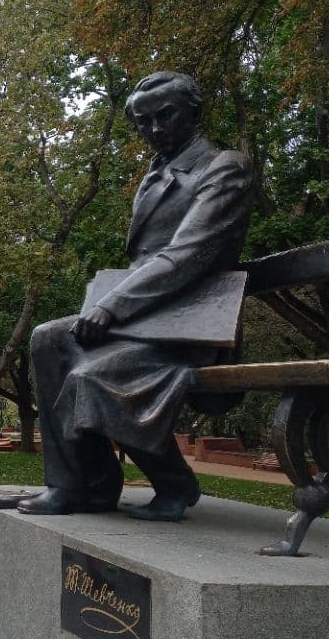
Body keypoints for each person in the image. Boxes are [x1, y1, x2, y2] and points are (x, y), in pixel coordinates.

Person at [18, 71, 254, 522]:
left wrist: (111, 306)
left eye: (165, 115)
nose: (155, 129)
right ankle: (77, 486)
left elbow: (186, 255)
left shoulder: (224, 168)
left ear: (194, 112)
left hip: (190, 324)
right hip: (145, 318)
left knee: (88, 377)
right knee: (47, 338)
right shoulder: (157, 173)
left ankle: (174, 481)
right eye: (144, 122)